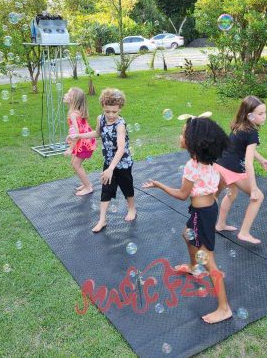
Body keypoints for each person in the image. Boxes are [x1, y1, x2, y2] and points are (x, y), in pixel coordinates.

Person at [142, 116, 232, 324]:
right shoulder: (209, 161)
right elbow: (224, 181)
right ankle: (194, 268)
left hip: (202, 214)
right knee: (186, 234)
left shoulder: (191, 166)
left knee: (209, 261)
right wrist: (214, 196)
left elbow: (182, 194)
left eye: (183, 134)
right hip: (207, 210)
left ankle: (224, 308)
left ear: (193, 142)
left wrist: (159, 185)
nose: (180, 136)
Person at [69, 88, 136, 233]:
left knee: (127, 187)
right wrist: (80, 136)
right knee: (106, 189)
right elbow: (97, 133)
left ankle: (132, 209)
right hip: (109, 162)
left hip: (122, 163)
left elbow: (120, 149)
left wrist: (111, 168)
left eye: (114, 112)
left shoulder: (120, 125)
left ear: (120, 108)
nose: (111, 115)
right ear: (103, 108)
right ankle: (102, 220)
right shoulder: (101, 119)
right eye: (107, 111)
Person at [214, 96, 267, 244]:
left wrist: (261, 159)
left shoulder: (238, 125)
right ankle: (244, 233)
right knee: (258, 197)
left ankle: (220, 224)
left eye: (265, 112)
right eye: (260, 114)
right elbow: (248, 162)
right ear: (250, 115)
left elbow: (243, 148)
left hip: (220, 164)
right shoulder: (252, 132)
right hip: (232, 168)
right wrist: (253, 188)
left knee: (232, 193)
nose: (264, 116)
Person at [63, 87, 97, 196]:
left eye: (68, 94)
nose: (65, 95)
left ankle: (88, 187)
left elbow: (76, 135)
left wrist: (70, 149)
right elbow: (77, 131)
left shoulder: (73, 114)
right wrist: (70, 136)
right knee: (74, 163)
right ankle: (85, 183)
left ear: (74, 100)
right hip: (85, 141)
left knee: (76, 164)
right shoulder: (76, 112)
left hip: (84, 144)